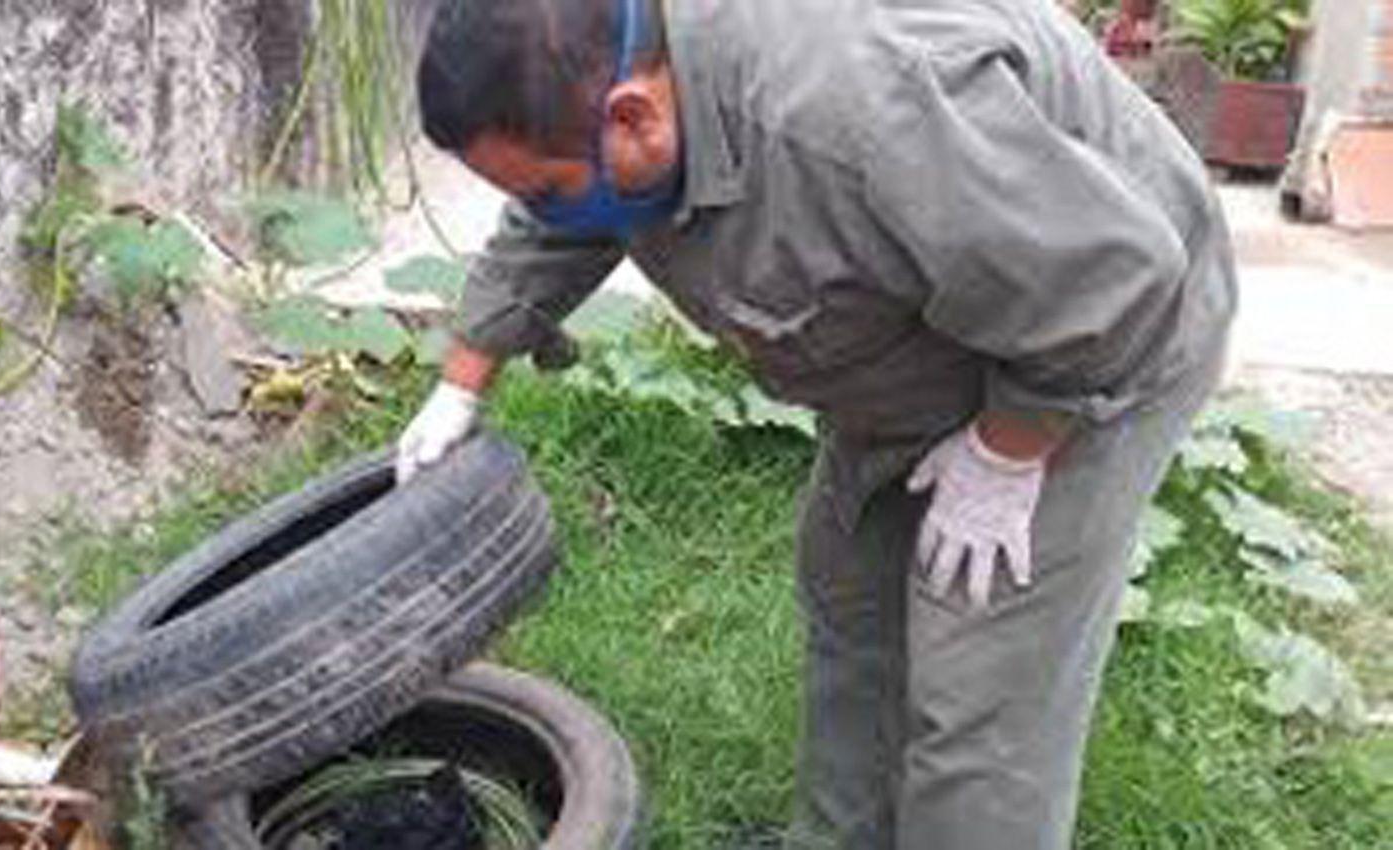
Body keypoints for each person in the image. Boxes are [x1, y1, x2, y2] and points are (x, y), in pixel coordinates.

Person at [398, 0, 1237, 846]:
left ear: (635, 116)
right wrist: (465, 378)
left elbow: (1110, 285)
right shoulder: (614, 85)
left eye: (546, 191)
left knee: (978, 682)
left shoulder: (864, 119)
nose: (547, 209)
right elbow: (563, 206)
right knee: (854, 592)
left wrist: (1005, 455)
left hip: (1095, 329)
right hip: (934, 308)